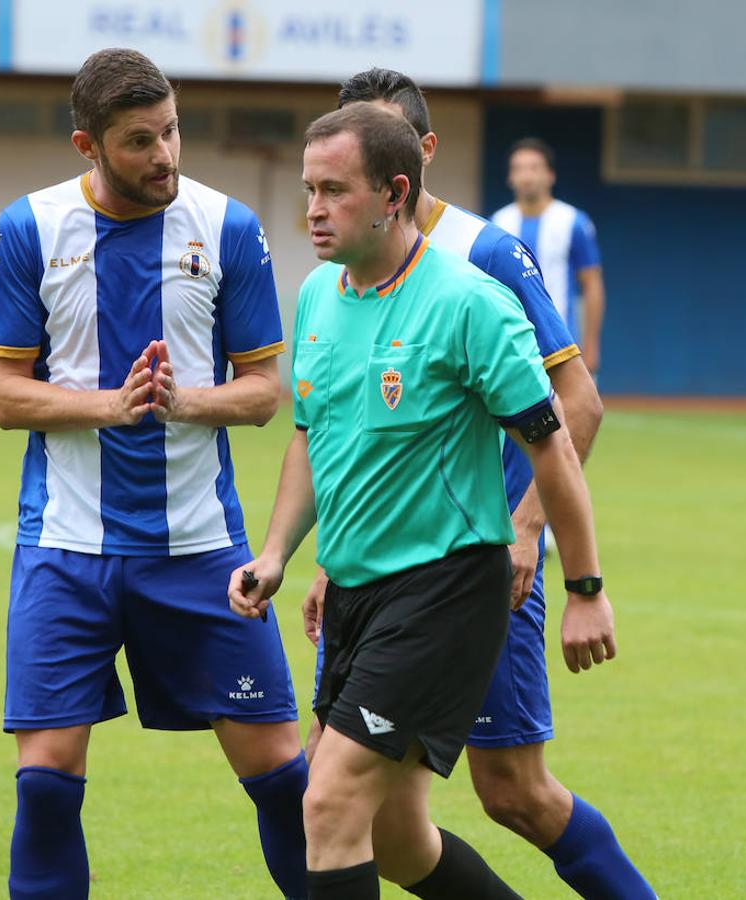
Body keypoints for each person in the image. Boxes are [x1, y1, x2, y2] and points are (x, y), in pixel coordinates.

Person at [229, 102, 615, 900]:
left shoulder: (469, 300)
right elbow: (310, 436)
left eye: (335, 190)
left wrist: (583, 588)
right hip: (356, 594)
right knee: (394, 838)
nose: (313, 210)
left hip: (445, 589)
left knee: (329, 801)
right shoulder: (315, 297)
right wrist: (276, 554)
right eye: (309, 190)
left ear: (394, 192)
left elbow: (553, 443)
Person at [0, 48, 307, 899]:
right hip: (65, 548)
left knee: (282, 777)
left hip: (200, 550)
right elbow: (5, 396)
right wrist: (111, 406)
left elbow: (266, 392)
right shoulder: (29, 229)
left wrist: (182, 403)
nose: (164, 155)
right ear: (88, 144)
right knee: (46, 785)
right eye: (139, 141)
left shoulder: (227, 226)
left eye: (171, 130)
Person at [491, 137, 606, 377]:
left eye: (534, 167)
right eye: (518, 169)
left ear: (550, 175)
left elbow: (592, 283)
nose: (526, 176)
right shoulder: (498, 223)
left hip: (563, 342)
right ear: (510, 177)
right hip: (512, 345)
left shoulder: (573, 221)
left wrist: (592, 343)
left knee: (574, 414)